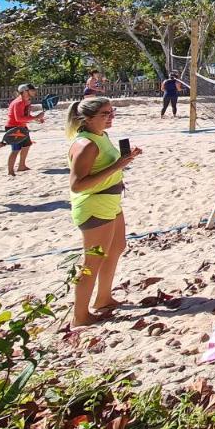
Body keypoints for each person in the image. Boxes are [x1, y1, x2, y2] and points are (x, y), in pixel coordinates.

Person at [67, 96, 142, 326]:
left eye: (112, 112)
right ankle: (79, 317)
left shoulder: (101, 137)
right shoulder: (86, 144)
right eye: (105, 114)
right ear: (87, 119)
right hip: (94, 206)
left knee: (118, 247)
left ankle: (103, 298)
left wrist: (124, 160)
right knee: (93, 261)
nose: (110, 117)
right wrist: (117, 166)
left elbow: (107, 167)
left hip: (110, 202)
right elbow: (77, 185)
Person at [6, 83, 44, 176]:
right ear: (25, 92)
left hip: (22, 127)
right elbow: (18, 118)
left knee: (27, 145)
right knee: (15, 150)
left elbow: (26, 116)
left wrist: (37, 119)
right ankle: (10, 171)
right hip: (13, 128)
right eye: (32, 90)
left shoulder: (27, 101)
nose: (34, 91)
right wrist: (35, 117)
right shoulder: (18, 102)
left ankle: (22, 166)